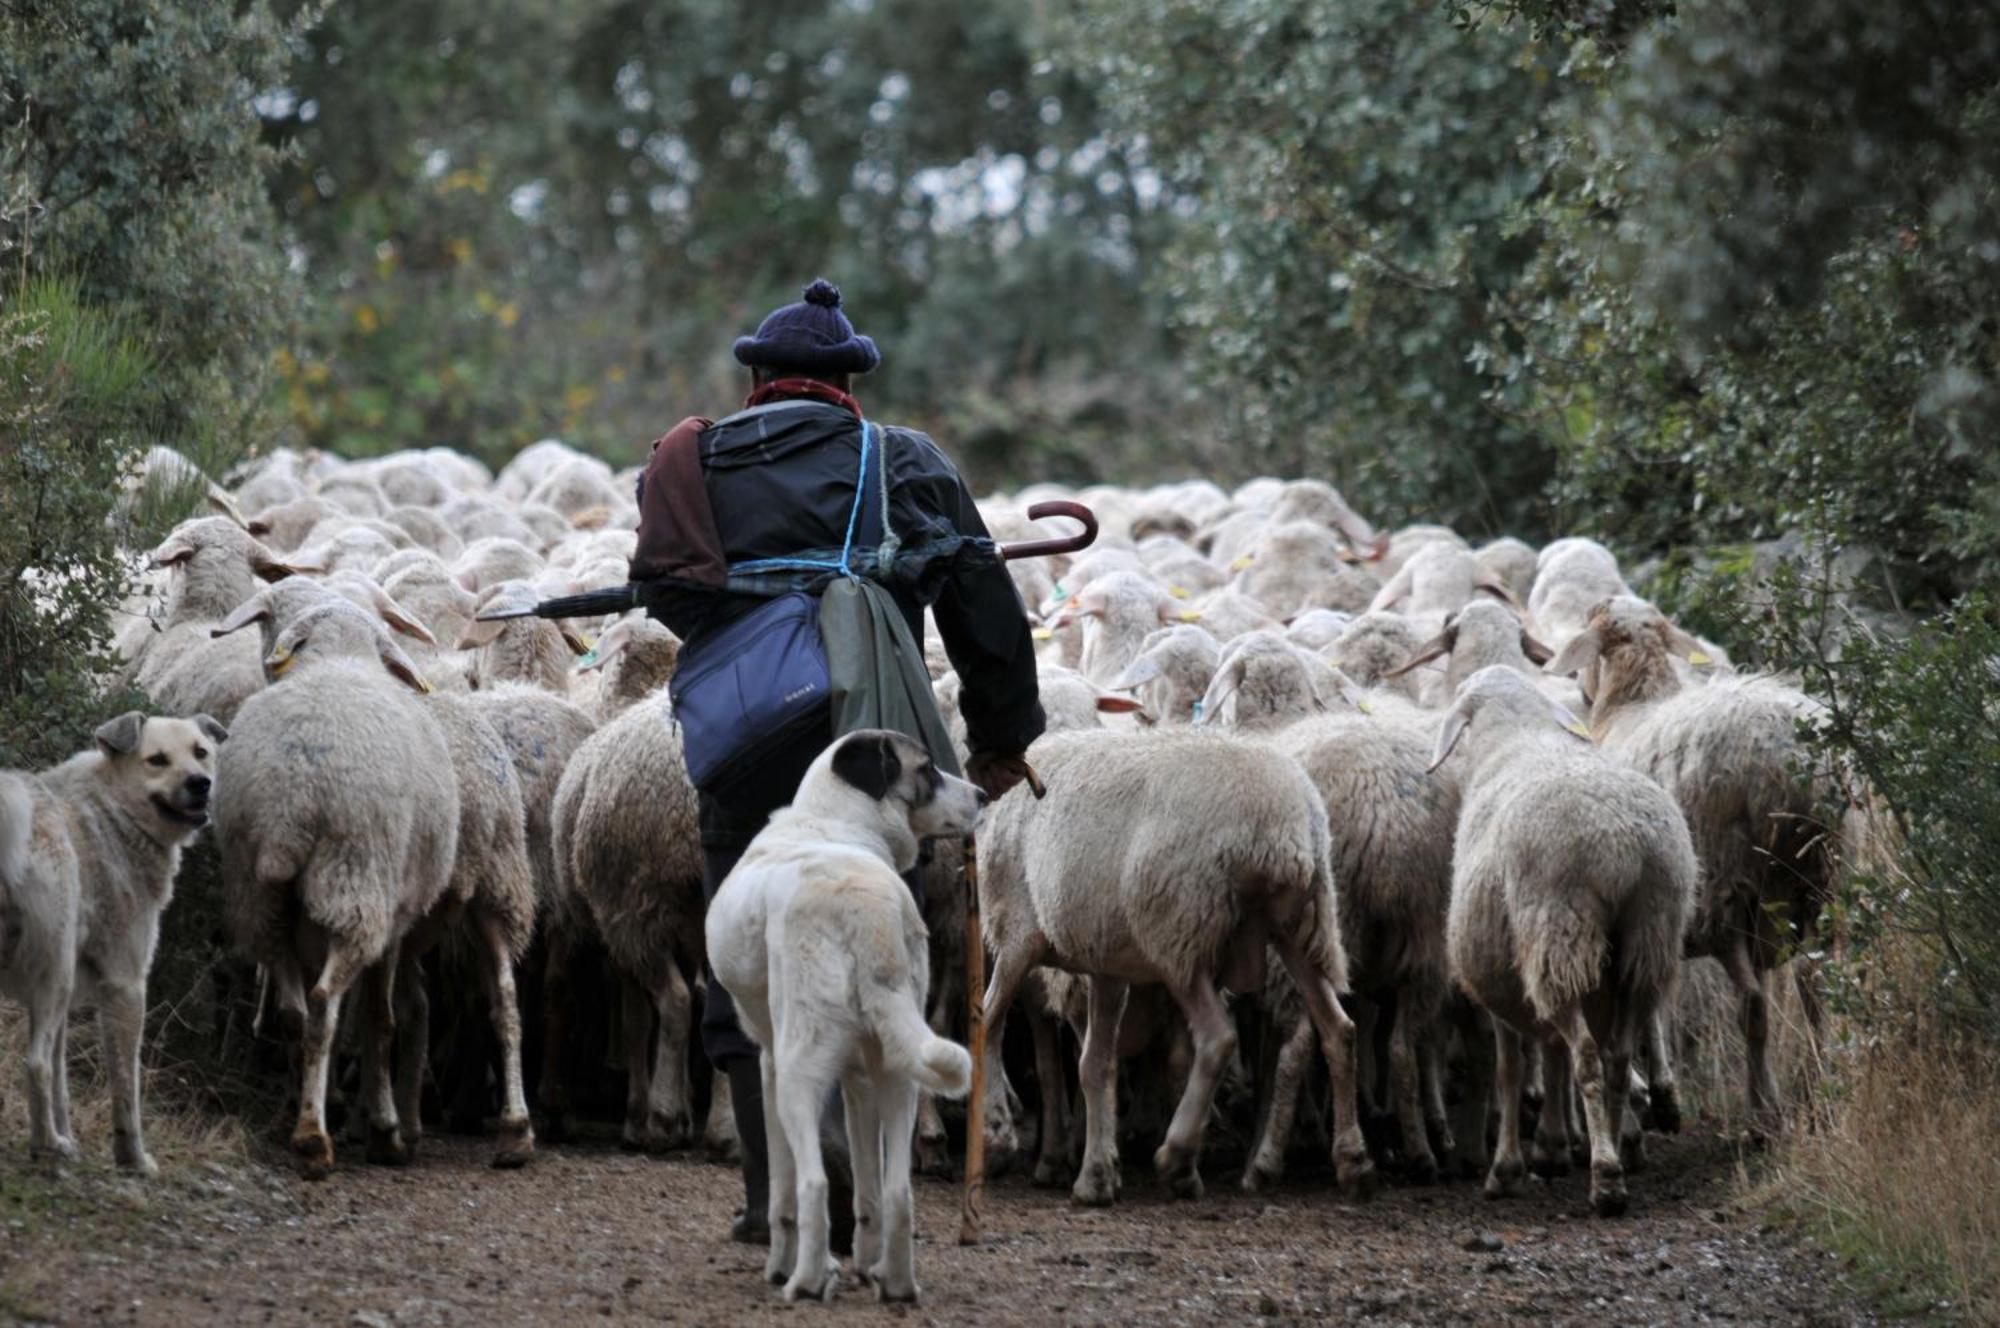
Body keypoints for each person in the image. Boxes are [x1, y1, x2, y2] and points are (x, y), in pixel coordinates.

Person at [628, 278, 1044, 1243]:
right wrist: (998, 740)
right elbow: (983, 607)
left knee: (751, 949)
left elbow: (667, 597)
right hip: (868, 759)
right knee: (874, 946)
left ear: (762, 378)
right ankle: (867, 1188)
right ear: (847, 383)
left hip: (740, 747)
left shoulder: (696, 462)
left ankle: (772, 1193)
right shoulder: (900, 461)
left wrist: (756, 622)